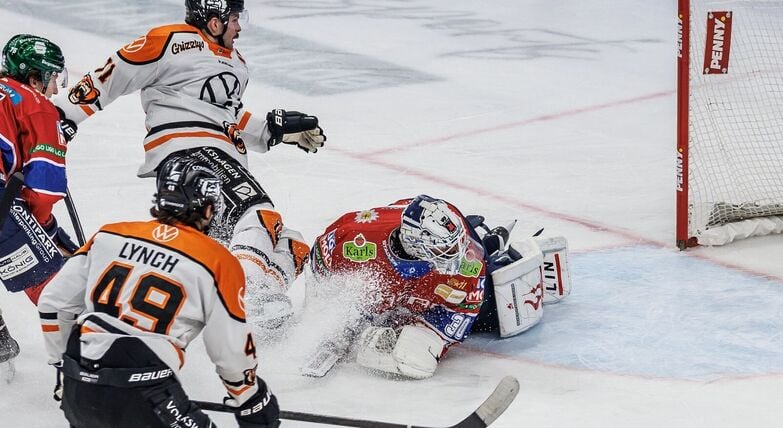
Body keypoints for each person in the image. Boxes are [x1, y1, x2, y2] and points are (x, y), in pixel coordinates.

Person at [53, 0, 324, 331]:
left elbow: (227, 115)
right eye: (235, 19)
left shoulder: (236, 62)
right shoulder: (172, 41)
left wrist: (272, 129)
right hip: (191, 156)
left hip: (220, 157)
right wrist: (61, 115)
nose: (240, 28)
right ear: (214, 22)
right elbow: (112, 74)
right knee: (257, 215)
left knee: (290, 246)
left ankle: (252, 307)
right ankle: (247, 298)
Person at [37, 158, 279, 428]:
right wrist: (251, 400)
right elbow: (230, 350)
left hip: (79, 393)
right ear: (209, 207)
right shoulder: (217, 261)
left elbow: (53, 304)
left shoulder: (109, 235)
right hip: (146, 395)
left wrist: (64, 369)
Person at [305, 195, 572, 379]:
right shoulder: (357, 239)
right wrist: (332, 315)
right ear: (415, 244)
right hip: (399, 273)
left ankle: (496, 250)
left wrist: (426, 335)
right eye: (445, 249)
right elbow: (320, 266)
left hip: (432, 291)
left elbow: (463, 312)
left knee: (481, 320)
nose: (458, 254)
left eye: (454, 245)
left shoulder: (466, 263)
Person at [0, 34, 79, 367]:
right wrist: (44, 229)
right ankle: (101, 363)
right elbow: (44, 189)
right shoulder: (35, 104)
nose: (56, 90)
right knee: (60, 288)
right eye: (53, 79)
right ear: (35, 77)